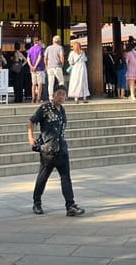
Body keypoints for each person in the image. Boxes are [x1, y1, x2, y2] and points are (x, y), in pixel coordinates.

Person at [27, 85, 85, 217]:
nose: (61, 96)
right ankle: (37, 203)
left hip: (62, 149)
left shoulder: (62, 110)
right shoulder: (45, 108)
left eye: (63, 94)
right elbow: (31, 121)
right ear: (53, 95)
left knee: (66, 178)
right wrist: (30, 138)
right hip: (48, 150)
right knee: (43, 177)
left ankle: (70, 205)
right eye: (58, 93)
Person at [44, 35, 65, 100]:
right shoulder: (60, 47)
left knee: (51, 82)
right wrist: (62, 64)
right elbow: (62, 57)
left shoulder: (48, 48)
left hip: (50, 67)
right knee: (61, 81)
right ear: (59, 41)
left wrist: (46, 65)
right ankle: (61, 94)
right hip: (57, 66)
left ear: (53, 41)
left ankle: (50, 96)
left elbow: (45, 58)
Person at [27, 37, 45, 104]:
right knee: (39, 83)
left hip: (32, 69)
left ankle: (33, 98)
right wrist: (35, 66)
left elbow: (28, 59)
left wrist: (31, 66)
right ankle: (38, 98)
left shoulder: (30, 49)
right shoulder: (40, 48)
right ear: (38, 41)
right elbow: (40, 57)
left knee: (33, 84)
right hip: (39, 68)